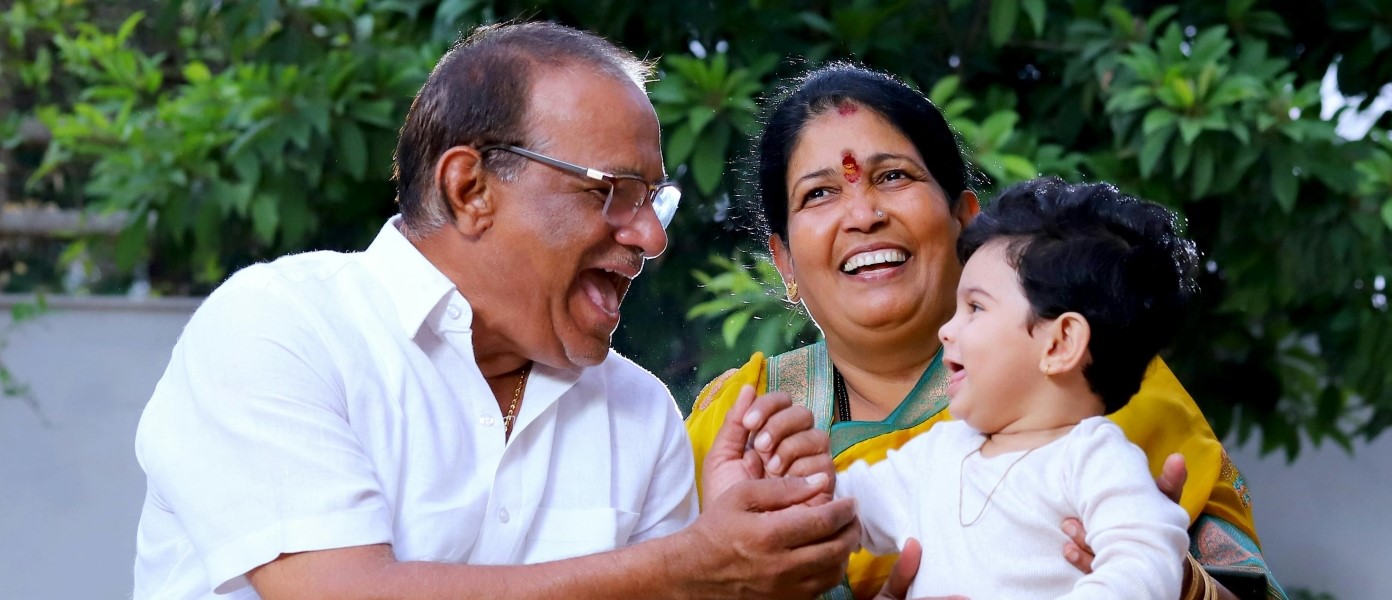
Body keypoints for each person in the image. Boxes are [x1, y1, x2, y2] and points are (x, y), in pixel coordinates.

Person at [133, 22, 856, 600]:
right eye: (612, 191)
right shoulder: (282, 326)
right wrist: (681, 570)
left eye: (654, 200)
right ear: (469, 188)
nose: (651, 236)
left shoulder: (638, 412)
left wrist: (738, 569)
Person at [684, 63, 1287, 600]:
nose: (863, 215)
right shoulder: (740, 426)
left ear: (964, 220)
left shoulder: (1097, 385)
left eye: (892, 177)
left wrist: (1176, 583)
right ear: (784, 260)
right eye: (819, 193)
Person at [835, 176, 1201, 598]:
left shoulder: (1092, 459)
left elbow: (1144, 561)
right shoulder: (937, 453)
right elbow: (844, 511)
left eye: (974, 307)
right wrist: (777, 484)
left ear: (1060, 343)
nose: (946, 330)